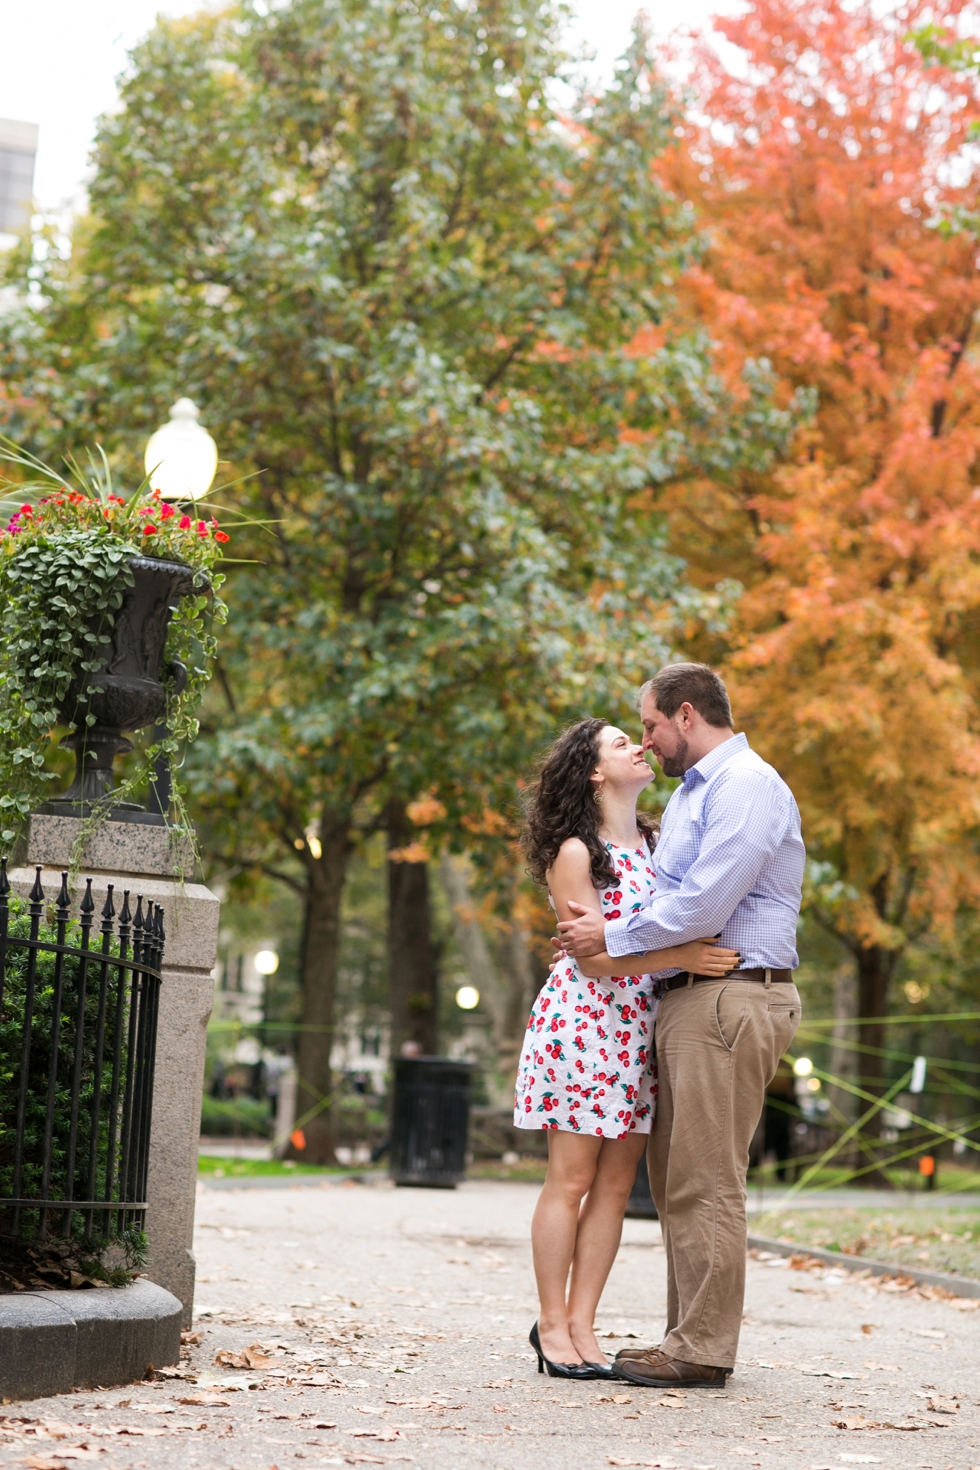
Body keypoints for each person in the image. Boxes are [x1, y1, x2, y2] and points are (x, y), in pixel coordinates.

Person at [557, 664, 804, 1389]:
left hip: (730, 994)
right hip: (693, 997)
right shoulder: (700, 794)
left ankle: (700, 1348)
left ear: (687, 715)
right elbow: (670, 897)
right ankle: (687, 1336)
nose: (648, 741)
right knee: (679, 1180)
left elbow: (701, 905)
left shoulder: (745, 786)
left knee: (707, 1179)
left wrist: (609, 937)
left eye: (651, 726)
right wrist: (614, 942)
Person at [515, 717, 739, 1380]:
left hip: (642, 1031)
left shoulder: (659, 840)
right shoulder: (576, 852)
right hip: (585, 1025)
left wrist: (644, 947)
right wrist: (681, 955)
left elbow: (626, 940)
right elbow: (593, 963)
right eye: (621, 743)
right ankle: (551, 1324)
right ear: (593, 771)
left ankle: (583, 1323)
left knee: (615, 1187)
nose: (639, 747)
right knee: (573, 1180)